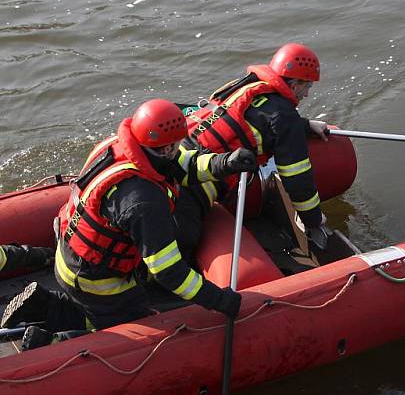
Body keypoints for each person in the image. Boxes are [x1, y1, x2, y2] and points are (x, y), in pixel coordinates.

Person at [1, 99, 258, 350]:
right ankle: (54, 340)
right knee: (134, 329)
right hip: (98, 284)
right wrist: (218, 300)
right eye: (174, 145)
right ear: (165, 148)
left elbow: (180, 164)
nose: (177, 150)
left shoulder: (117, 147)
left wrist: (223, 163)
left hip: (69, 256)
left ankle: (44, 305)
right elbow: (169, 272)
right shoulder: (143, 200)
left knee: (106, 309)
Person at [176, 42, 329, 257]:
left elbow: (253, 119)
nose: (307, 94)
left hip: (178, 156)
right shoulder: (284, 117)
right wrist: (313, 220)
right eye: (307, 87)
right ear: (294, 85)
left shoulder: (246, 85)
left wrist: (303, 125)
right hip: (194, 183)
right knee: (183, 243)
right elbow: (298, 180)